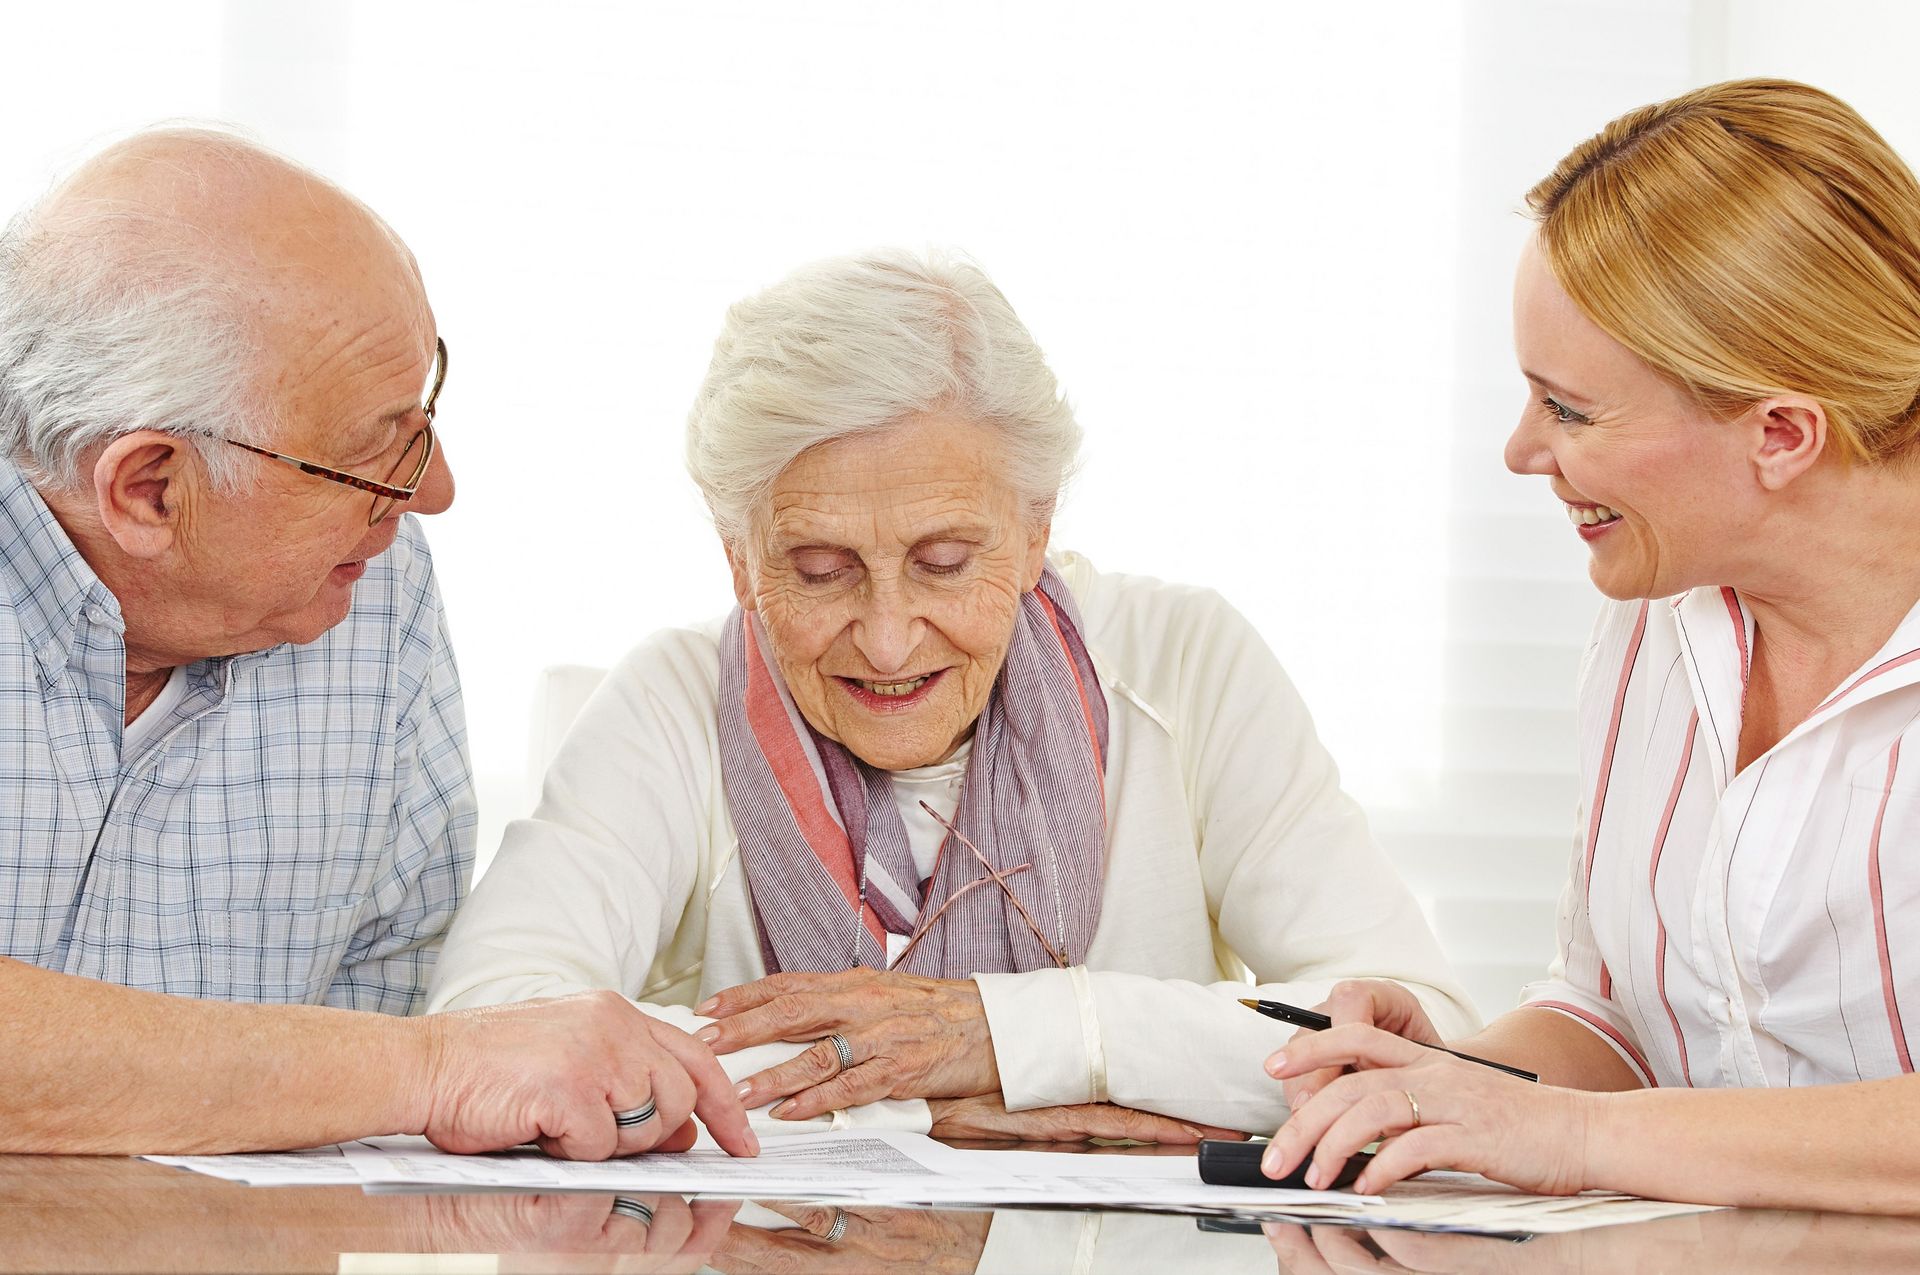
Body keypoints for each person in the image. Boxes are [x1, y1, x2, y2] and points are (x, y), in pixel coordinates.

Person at [428, 248, 1478, 1138]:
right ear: (738, 558)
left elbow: (1415, 1037)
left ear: (1035, 530)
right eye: (820, 568)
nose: (888, 639)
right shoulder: (668, 700)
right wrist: (1130, 1071)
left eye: (942, 561)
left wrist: (1001, 1034)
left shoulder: (1185, 664)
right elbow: (490, 1025)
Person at [0, 127, 751, 1160]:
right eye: (372, 453)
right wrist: (434, 1067)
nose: (433, 490)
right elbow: (409, 1068)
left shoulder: (369, 589)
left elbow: (382, 1054)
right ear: (150, 488)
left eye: (422, 407)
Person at [1259, 79, 1920, 1214]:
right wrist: (1446, 1085)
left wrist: (1564, 1135)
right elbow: (1618, 1014)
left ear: (1779, 431)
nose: (1522, 451)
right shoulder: (1651, 624)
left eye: (1569, 410)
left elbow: (1593, 1133)